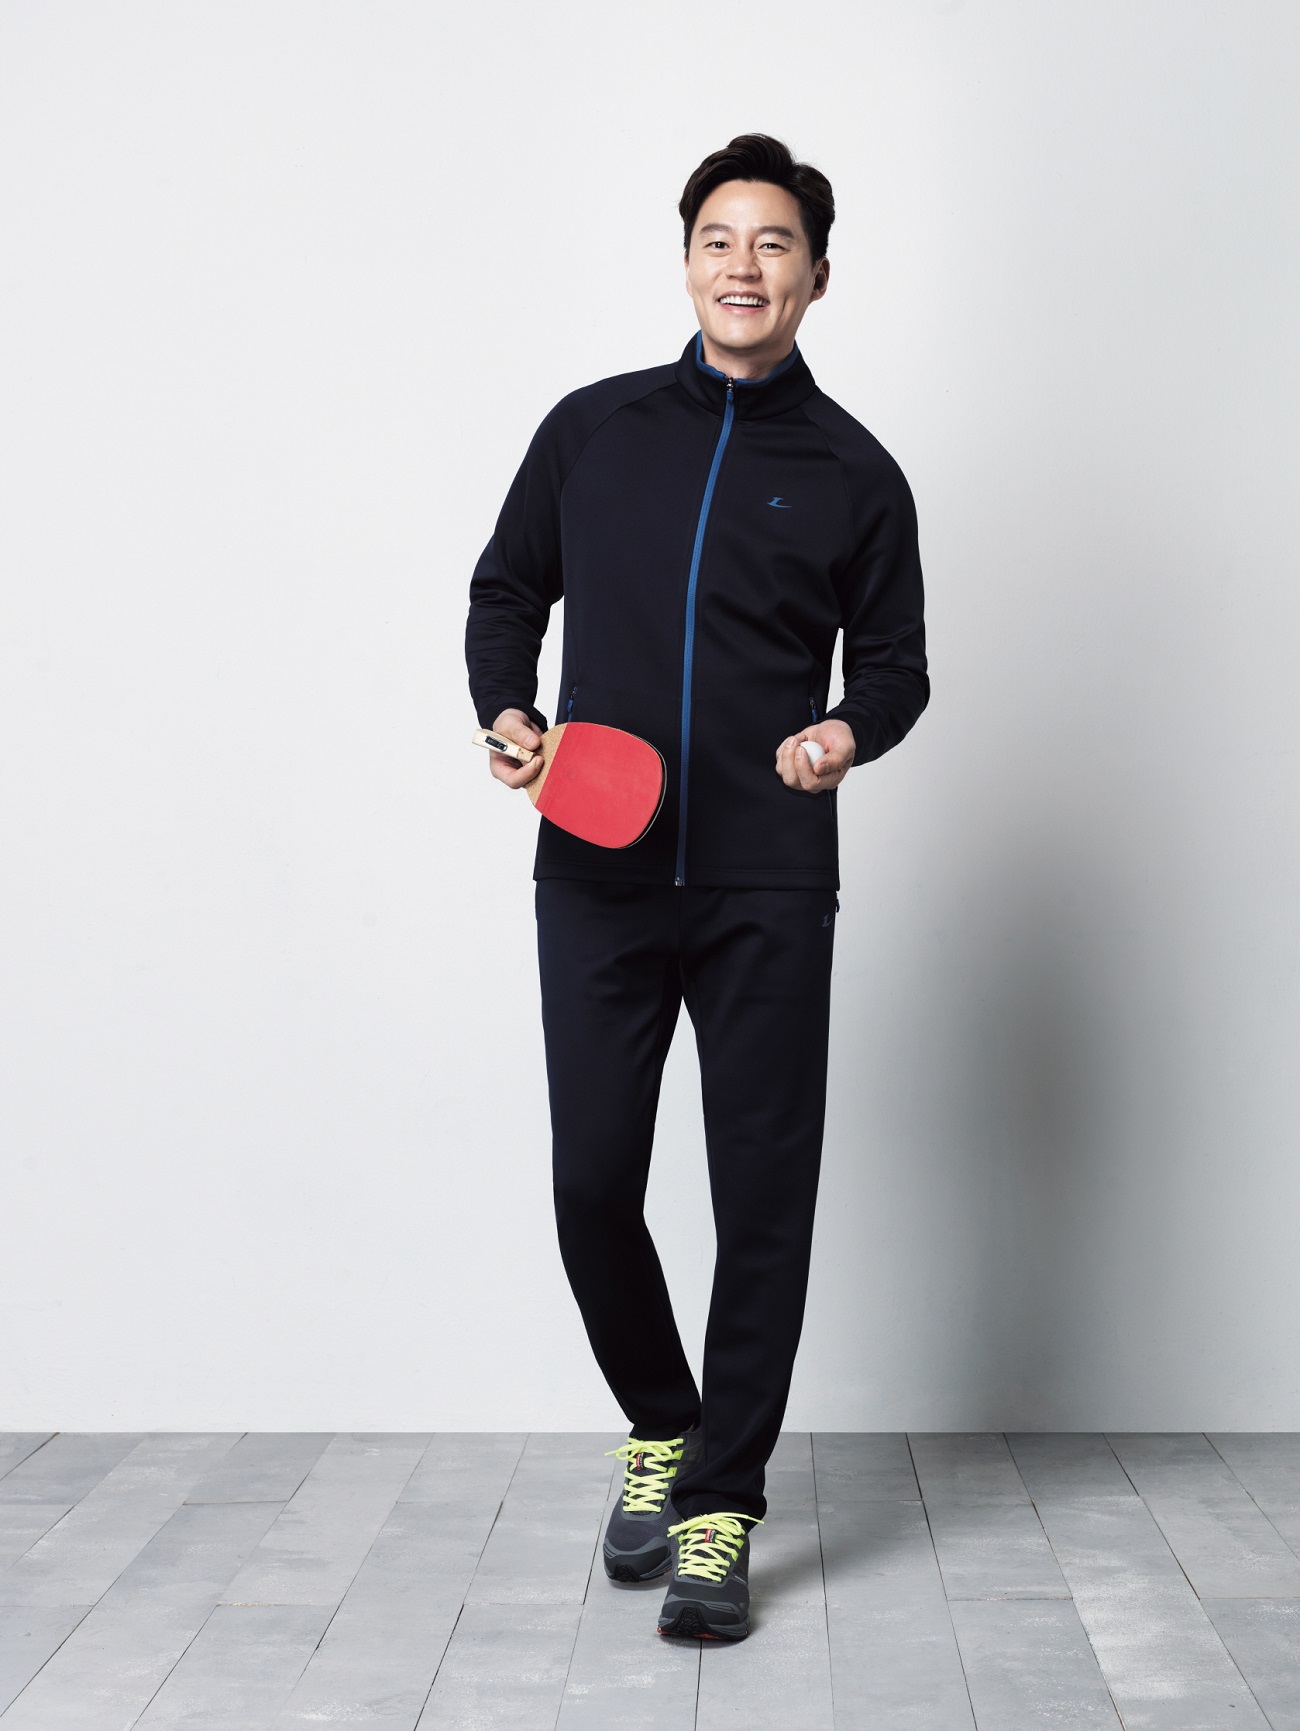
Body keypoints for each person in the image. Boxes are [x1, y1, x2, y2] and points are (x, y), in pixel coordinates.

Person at [465, 134, 928, 1642]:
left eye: (774, 242)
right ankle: (663, 1422)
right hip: (598, 870)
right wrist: (510, 711)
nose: (744, 264)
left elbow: (898, 668)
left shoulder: (855, 473)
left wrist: (846, 732)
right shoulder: (592, 432)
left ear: (817, 276)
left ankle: (722, 1505)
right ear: (685, 262)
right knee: (592, 1181)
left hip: (767, 884)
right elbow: (504, 591)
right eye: (720, 238)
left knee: (763, 1200)